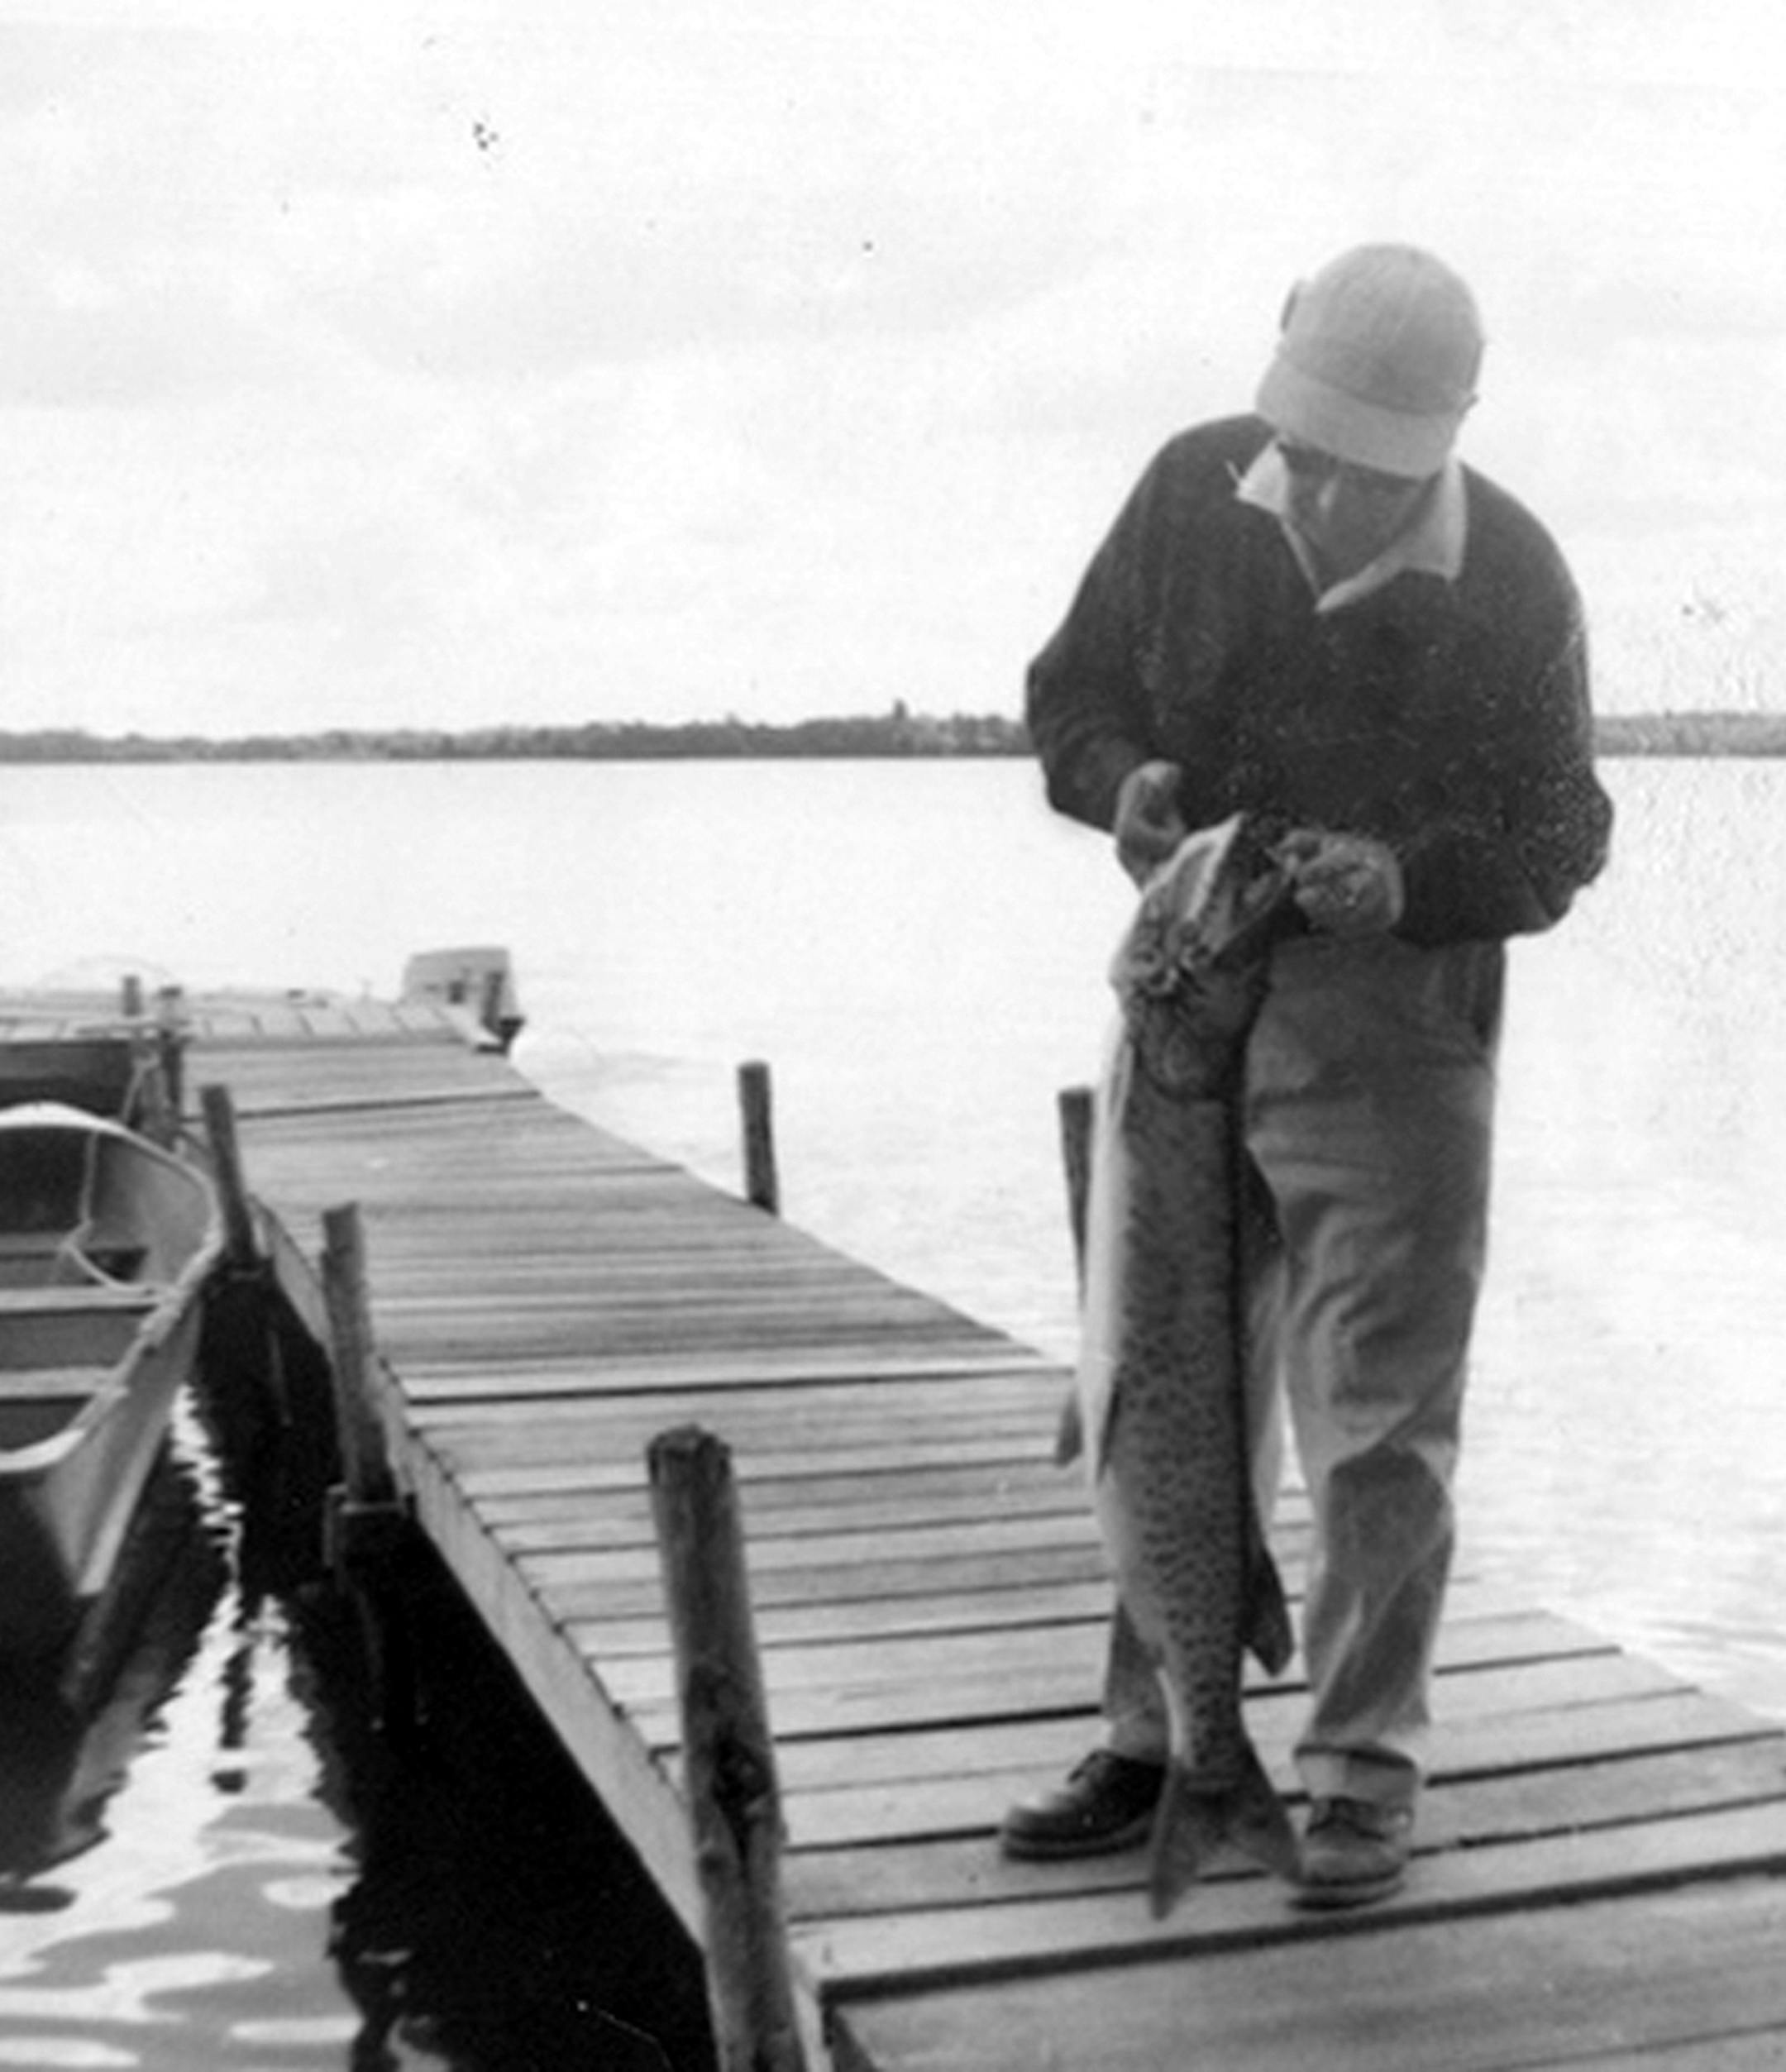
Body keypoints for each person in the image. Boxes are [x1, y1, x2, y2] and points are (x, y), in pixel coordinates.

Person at [1002, 242, 1613, 1907]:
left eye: (1370, 466)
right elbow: (1070, 699)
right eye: (1312, 447)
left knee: (1379, 1426)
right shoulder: (1191, 488)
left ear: (1450, 430)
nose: (1327, 494)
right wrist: (1122, 781)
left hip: (1394, 1034)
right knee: (1155, 1383)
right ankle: (1161, 1737)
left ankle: (1354, 1772)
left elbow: (1562, 835)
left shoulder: (1516, 578)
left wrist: (1408, 877)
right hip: (1190, 1011)